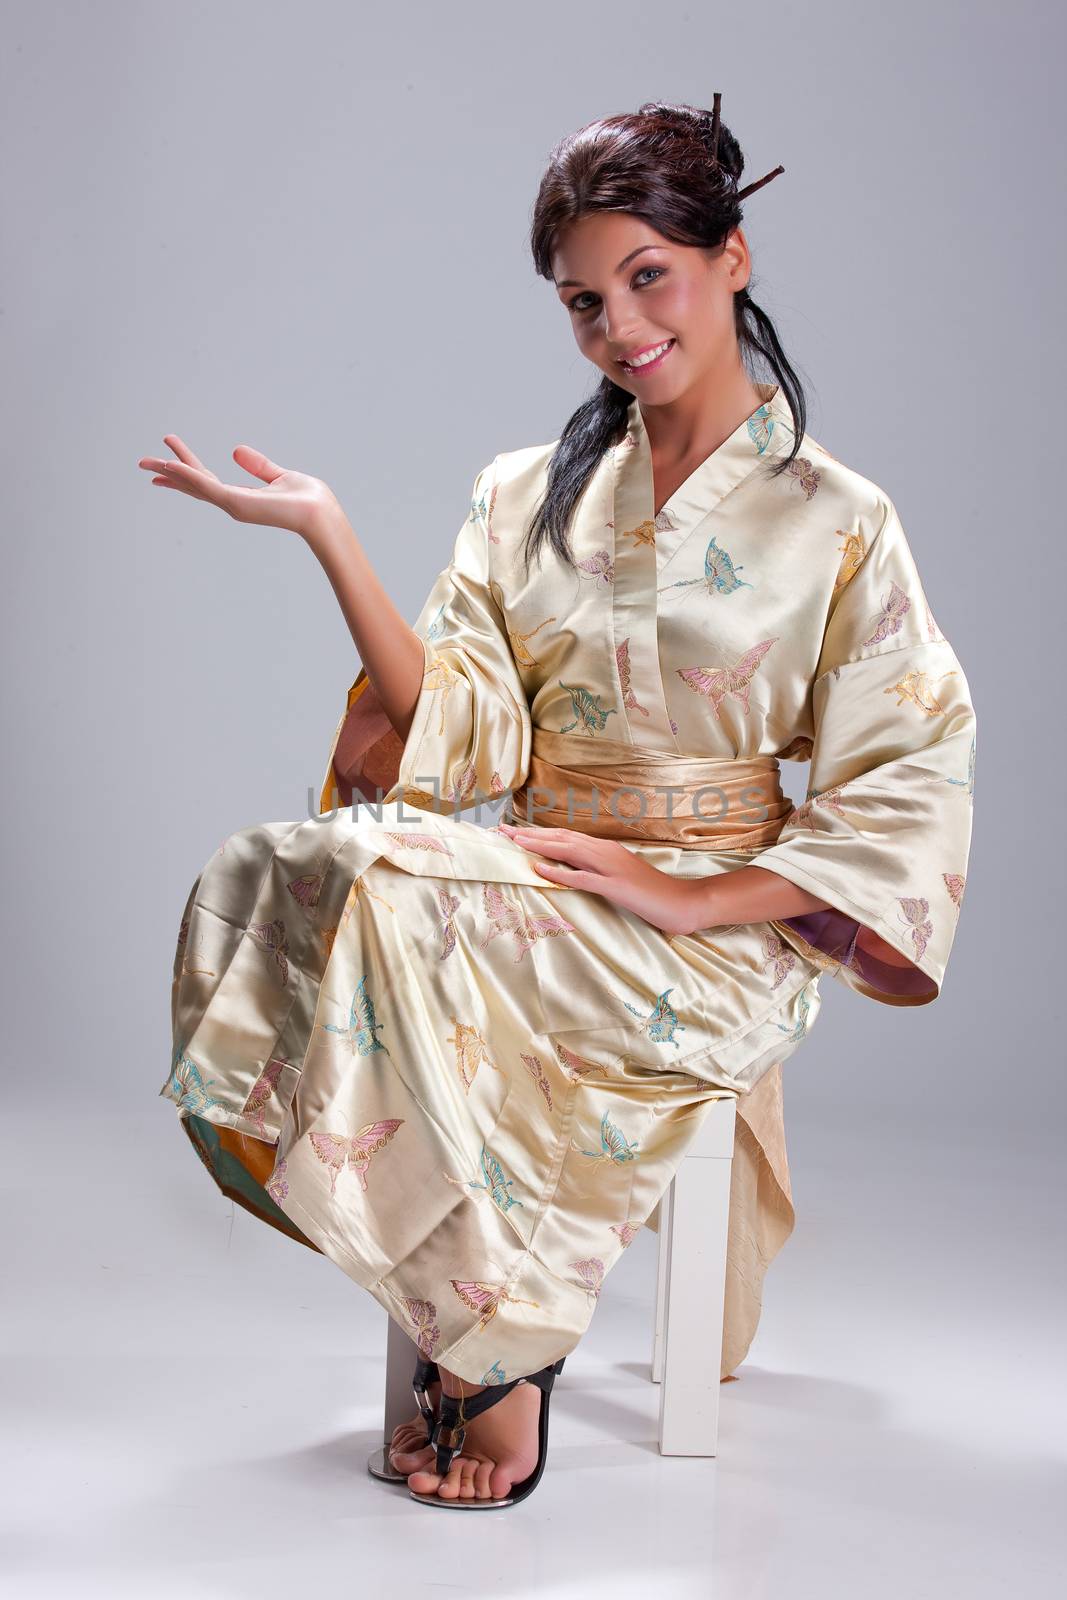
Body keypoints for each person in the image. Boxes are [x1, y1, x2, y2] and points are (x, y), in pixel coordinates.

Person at [141, 93, 977, 1510]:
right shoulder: (527, 492)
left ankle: (500, 1358)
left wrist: (697, 893)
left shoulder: (840, 518)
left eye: (648, 276)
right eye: (583, 301)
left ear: (732, 259)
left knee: (399, 904)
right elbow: (452, 724)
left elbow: (906, 780)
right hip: (536, 873)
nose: (619, 327)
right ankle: (475, 1312)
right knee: (292, 868)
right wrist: (329, 533)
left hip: (713, 936)